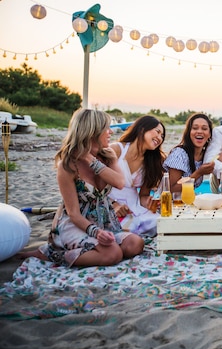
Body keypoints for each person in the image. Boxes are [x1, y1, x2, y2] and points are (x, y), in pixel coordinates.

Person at [32, 109, 144, 267]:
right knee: (113, 254)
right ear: (92, 132)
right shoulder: (68, 166)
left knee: (135, 244)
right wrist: (96, 233)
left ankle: (93, 250)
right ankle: (54, 254)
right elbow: (73, 213)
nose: (110, 132)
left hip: (105, 222)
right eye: (106, 128)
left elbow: (119, 182)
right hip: (77, 224)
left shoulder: (108, 155)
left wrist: (89, 158)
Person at [109, 115, 166, 237]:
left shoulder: (151, 162)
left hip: (134, 207)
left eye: (162, 136)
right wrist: (114, 205)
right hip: (108, 204)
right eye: (157, 132)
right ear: (142, 129)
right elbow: (93, 184)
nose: (160, 138)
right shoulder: (116, 150)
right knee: (122, 230)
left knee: (162, 223)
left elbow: (143, 195)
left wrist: (148, 202)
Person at [164, 113, 215, 191]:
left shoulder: (206, 156)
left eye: (204, 129)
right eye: (195, 128)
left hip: (188, 200)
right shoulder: (179, 154)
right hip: (170, 201)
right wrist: (198, 173)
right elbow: (171, 189)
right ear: (189, 132)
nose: (199, 131)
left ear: (210, 134)